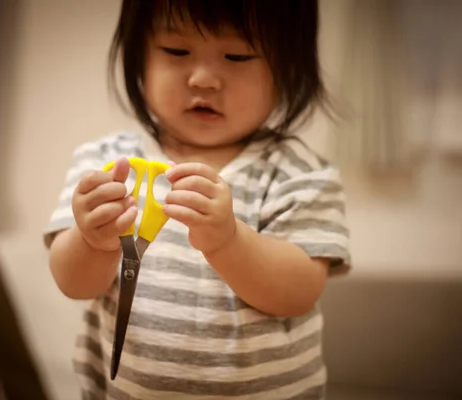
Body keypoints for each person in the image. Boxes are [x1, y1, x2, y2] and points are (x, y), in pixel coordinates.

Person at [43, 1, 351, 398]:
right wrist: (92, 241)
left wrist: (228, 242)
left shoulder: (299, 173)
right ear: (138, 56)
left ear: (288, 68)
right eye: (176, 51)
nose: (203, 79)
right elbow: (74, 283)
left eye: (237, 55)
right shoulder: (108, 164)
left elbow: (298, 293)